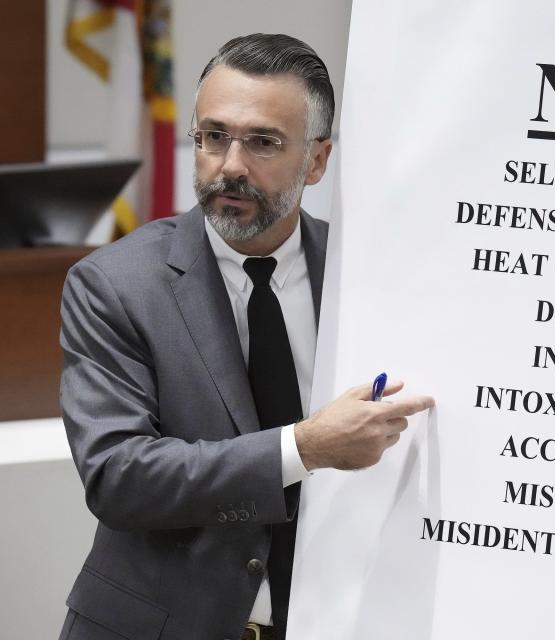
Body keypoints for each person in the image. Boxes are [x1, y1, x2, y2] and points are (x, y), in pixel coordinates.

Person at [58, 33, 434, 640]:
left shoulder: (365, 275)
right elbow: (118, 476)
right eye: (213, 136)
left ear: (316, 160)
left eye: (263, 141)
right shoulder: (114, 286)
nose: (230, 164)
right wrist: (304, 447)